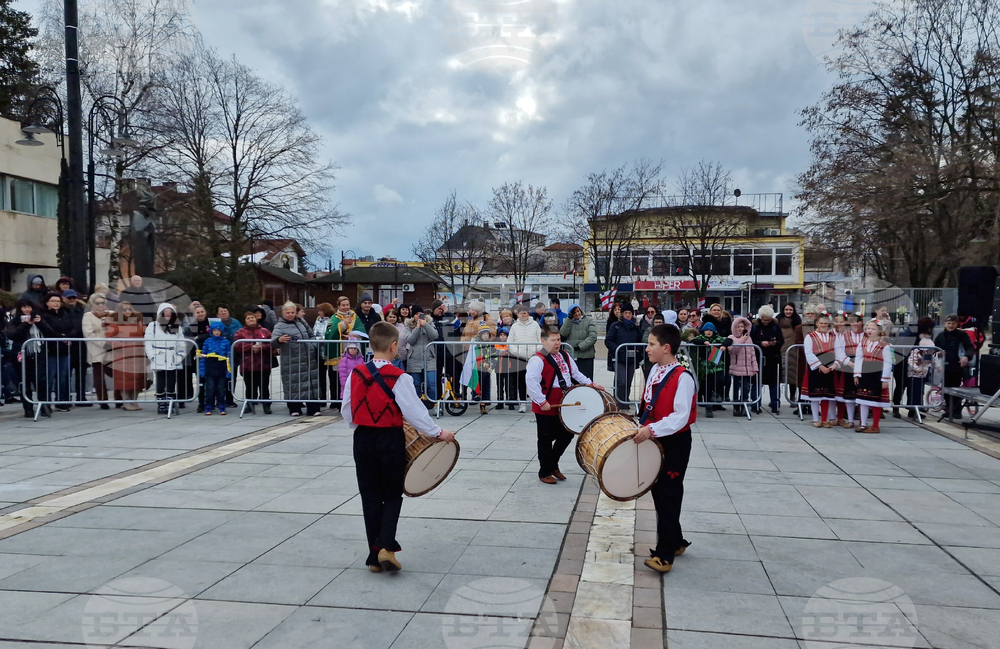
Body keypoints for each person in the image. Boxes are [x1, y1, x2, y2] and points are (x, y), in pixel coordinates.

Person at [341, 321, 455, 572]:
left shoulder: (356, 373)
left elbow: (346, 410)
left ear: (371, 345)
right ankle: (384, 548)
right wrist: (439, 432)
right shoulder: (399, 377)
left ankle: (375, 559)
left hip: (362, 439)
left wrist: (359, 426)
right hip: (389, 438)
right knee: (392, 494)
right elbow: (414, 413)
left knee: (369, 495)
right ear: (394, 346)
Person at [633, 323, 696, 573]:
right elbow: (648, 405)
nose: (647, 348)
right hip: (656, 438)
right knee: (660, 493)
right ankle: (676, 541)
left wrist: (652, 429)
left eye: (651, 344)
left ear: (666, 347)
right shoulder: (654, 369)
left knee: (668, 493)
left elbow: (681, 417)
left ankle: (665, 555)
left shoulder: (683, 377)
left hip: (675, 441)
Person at [527, 325, 603, 484]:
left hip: (565, 402)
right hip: (547, 404)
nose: (557, 343)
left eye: (559, 339)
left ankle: (552, 465)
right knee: (545, 439)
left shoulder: (565, 355)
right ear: (543, 341)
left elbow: (576, 374)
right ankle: (544, 471)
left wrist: (591, 384)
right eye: (553, 340)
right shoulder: (537, 359)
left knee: (566, 434)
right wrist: (542, 401)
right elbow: (531, 382)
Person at [272, 301, 322, 416]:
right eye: (287, 312)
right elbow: (273, 340)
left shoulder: (301, 322)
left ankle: (313, 408)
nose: (290, 314)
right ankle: (294, 408)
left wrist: (313, 346)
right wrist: (279, 340)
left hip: (308, 358)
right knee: (292, 384)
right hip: (291, 360)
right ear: (283, 313)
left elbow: (311, 335)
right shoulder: (279, 325)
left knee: (311, 383)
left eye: (292, 312)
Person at [6, 299, 54, 417]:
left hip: (39, 354)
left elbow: (51, 333)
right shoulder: (15, 320)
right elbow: (12, 335)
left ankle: (44, 406)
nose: (27, 309)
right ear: (19, 309)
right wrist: (26, 324)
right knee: (24, 382)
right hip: (22, 355)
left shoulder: (40, 318)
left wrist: (40, 323)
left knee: (41, 381)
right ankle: (28, 408)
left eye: (29, 307)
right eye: (24, 307)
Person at [144, 303, 187, 414]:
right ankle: (161, 404)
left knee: (171, 381)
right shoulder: (153, 326)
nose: (167, 314)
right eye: (165, 311)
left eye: (170, 311)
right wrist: (152, 355)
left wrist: (180, 356)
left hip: (172, 356)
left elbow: (181, 343)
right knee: (160, 380)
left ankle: (170, 403)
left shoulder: (177, 326)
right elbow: (148, 342)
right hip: (158, 355)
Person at [325, 296, 366, 403]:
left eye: (347, 305)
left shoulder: (355, 317)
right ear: (338, 306)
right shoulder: (334, 318)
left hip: (352, 353)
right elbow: (329, 333)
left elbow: (361, 331)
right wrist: (343, 325)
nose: (346, 307)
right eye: (343, 305)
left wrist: (351, 335)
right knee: (337, 378)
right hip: (339, 353)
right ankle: (336, 402)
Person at [854, 320, 892, 433]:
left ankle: (875, 426)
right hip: (865, 372)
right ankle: (863, 424)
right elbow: (858, 359)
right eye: (868, 328)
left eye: (873, 329)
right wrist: (857, 374)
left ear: (879, 331)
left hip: (877, 373)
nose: (870, 331)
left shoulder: (885, 346)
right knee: (863, 399)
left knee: (875, 400)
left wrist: (885, 378)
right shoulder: (862, 343)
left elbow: (888, 362)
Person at [687, 322, 732, 417]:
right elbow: (693, 341)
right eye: (707, 330)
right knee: (707, 386)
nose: (708, 332)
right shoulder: (701, 338)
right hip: (705, 367)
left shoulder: (717, 338)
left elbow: (729, 340)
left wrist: (724, 345)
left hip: (717, 366)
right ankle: (708, 408)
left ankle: (717, 396)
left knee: (721, 380)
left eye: (710, 330)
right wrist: (703, 342)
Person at [39, 292, 74, 411]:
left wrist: (68, 337)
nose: (56, 303)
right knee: (50, 377)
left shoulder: (65, 314)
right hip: (50, 350)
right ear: (47, 302)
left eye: (58, 301)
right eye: (53, 301)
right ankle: (46, 403)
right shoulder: (43, 315)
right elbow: (47, 330)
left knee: (63, 377)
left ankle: (62, 402)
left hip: (64, 350)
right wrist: (60, 337)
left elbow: (72, 326)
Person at [234, 311, 272, 414]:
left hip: (263, 364)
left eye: (252, 318)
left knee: (264, 386)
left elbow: (272, 343)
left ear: (256, 319)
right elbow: (236, 345)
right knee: (250, 387)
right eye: (248, 318)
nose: (251, 320)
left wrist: (262, 347)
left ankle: (266, 405)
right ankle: (250, 405)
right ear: (245, 321)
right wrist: (250, 347)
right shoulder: (240, 332)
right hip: (247, 364)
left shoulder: (264, 331)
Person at [606, 303, 643, 412]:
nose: (628, 315)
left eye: (630, 313)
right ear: (622, 314)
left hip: (631, 359)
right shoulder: (615, 326)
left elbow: (640, 341)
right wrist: (618, 349)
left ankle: (625, 400)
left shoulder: (635, 328)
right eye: (626, 313)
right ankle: (619, 402)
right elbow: (608, 340)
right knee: (621, 381)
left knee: (628, 382)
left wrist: (638, 350)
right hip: (619, 358)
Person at [934, 314, 971, 421]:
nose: (951, 326)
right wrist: (938, 355)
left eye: (953, 323)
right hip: (943, 367)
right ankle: (950, 409)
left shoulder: (962, 335)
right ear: (945, 324)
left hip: (957, 365)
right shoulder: (940, 336)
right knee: (945, 389)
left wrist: (966, 357)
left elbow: (969, 347)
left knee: (956, 389)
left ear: (957, 324)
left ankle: (957, 410)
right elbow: (934, 349)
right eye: (948, 323)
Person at [803, 312, 837, 427]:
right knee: (815, 395)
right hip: (816, 369)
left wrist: (834, 364)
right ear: (817, 323)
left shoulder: (833, 336)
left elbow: (838, 352)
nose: (823, 325)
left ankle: (824, 419)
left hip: (830, 368)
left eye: (826, 323)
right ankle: (815, 419)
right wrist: (820, 366)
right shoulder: (810, 336)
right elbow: (809, 353)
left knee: (826, 394)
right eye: (821, 323)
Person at [507, 304, 541, 413]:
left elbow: (540, 339)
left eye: (525, 313)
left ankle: (538, 401)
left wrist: (536, 351)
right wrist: (515, 351)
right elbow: (509, 342)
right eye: (521, 313)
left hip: (533, 357)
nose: (523, 315)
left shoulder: (535, 325)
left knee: (535, 379)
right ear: (518, 314)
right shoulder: (514, 326)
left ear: (528, 313)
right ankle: (523, 402)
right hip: (519, 357)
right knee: (521, 381)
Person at [82, 294, 113, 409]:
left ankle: (121, 398)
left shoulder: (112, 313)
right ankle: (103, 400)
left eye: (102, 303)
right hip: (96, 349)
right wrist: (103, 343)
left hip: (111, 348)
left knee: (116, 373)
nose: (100, 305)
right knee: (98, 375)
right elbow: (88, 333)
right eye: (97, 303)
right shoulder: (88, 316)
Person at [834, 313, 864, 427]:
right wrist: (849, 363)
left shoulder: (866, 334)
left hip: (864, 366)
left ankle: (863, 422)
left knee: (863, 395)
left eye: (857, 321)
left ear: (861, 322)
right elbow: (839, 351)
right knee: (850, 395)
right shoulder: (843, 335)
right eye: (852, 322)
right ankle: (851, 420)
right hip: (849, 366)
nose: (855, 324)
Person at [752, 305, 783, 414]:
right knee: (756, 383)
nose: (766, 322)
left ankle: (775, 404)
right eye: (764, 320)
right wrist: (760, 343)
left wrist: (774, 343)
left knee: (774, 383)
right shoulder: (754, 326)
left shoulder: (775, 326)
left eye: (768, 320)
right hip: (758, 358)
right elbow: (751, 340)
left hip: (773, 358)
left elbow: (781, 340)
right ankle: (755, 404)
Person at [61, 289, 90, 405]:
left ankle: (81, 397)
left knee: (81, 373)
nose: (72, 300)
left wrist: (70, 334)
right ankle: (66, 397)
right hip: (66, 346)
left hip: (80, 345)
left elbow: (81, 325)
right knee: (66, 373)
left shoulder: (81, 311)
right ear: (64, 298)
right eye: (69, 298)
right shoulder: (62, 311)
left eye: (73, 297)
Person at [404, 305, 438, 400]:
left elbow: (435, 336)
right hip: (414, 359)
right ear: (413, 316)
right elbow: (410, 340)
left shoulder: (430, 323)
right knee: (416, 384)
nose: (418, 316)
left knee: (432, 383)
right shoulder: (409, 325)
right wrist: (417, 328)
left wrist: (426, 325)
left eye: (420, 314)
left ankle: (433, 403)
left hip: (429, 358)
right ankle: (417, 405)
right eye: (416, 314)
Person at [906, 317, 936, 419]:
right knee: (915, 391)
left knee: (919, 391)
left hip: (922, 371)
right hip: (915, 371)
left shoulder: (920, 339)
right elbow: (911, 359)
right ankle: (913, 409)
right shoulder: (916, 347)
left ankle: (915, 408)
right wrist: (915, 367)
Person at [728, 316, 759, 415]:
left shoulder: (749, 338)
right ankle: (736, 406)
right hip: (736, 367)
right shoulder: (731, 337)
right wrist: (742, 340)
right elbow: (733, 350)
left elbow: (752, 353)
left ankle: (744, 404)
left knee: (746, 387)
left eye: (742, 326)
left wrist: (755, 367)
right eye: (738, 326)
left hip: (747, 368)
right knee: (736, 387)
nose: (740, 328)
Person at [200, 321, 232, 415]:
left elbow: (229, 357)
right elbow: (203, 356)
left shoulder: (226, 342)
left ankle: (221, 405)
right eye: (214, 330)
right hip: (210, 366)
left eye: (218, 330)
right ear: (211, 331)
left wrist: (228, 371)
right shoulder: (207, 341)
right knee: (210, 388)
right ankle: (209, 406)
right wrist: (202, 369)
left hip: (221, 366)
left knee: (221, 388)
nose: (217, 332)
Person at [560, 305, 597, 380]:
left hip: (586, 355)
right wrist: (568, 320)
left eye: (578, 311)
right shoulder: (568, 322)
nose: (577, 314)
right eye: (574, 312)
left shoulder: (589, 320)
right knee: (573, 380)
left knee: (586, 380)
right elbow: (563, 333)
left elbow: (592, 337)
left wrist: (581, 346)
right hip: (572, 355)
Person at [777, 304, 802, 402]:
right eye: (786, 309)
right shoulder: (777, 322)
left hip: (793, 351)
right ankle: (776, 399)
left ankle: (792, 396)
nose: (788, 311)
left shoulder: (797, 322)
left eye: (790, 309)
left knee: (793, 376)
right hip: (779, 350)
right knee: (777, 377)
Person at [642, 313, 667, 380]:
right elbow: (644, 339)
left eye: (660, 322)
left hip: (663, 357)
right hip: (649, 358)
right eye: (656, 322)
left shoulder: (666, 331)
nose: (658, 324)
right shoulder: (649, 330)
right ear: (653, 322)